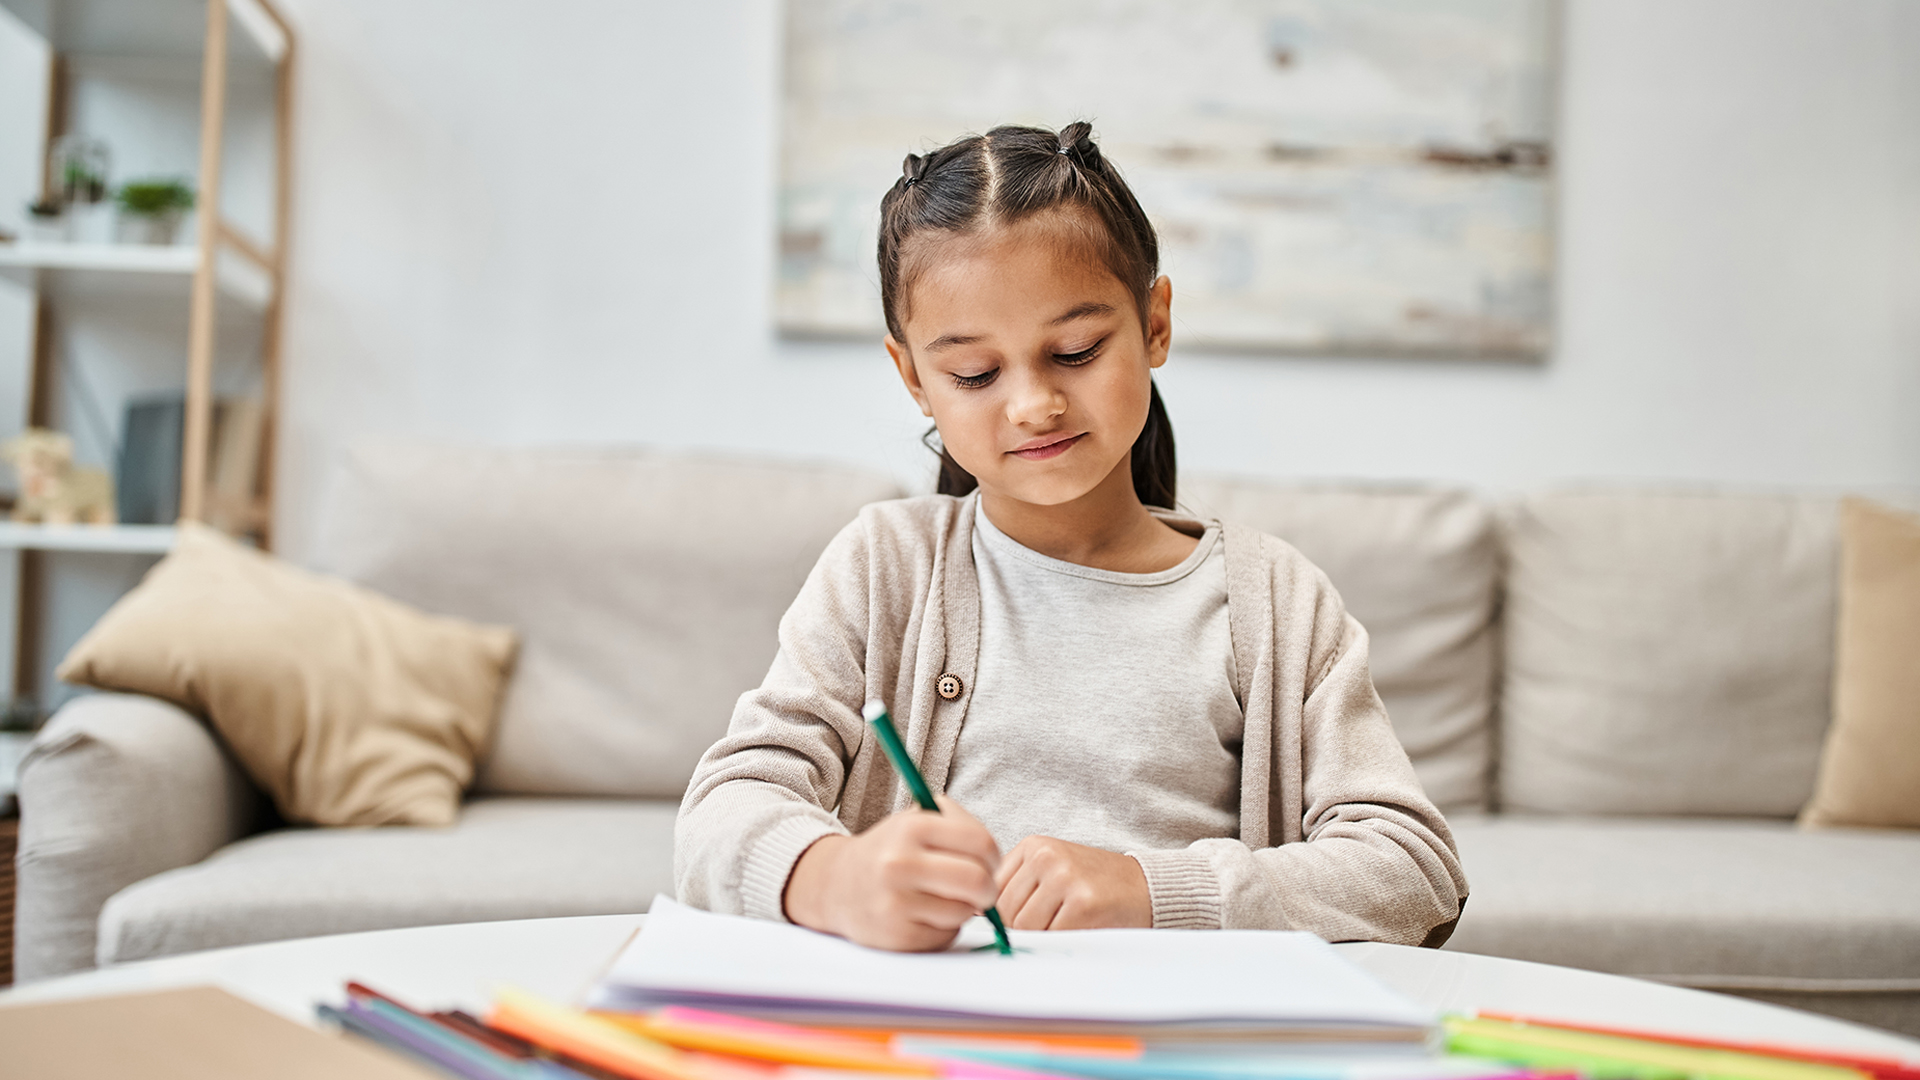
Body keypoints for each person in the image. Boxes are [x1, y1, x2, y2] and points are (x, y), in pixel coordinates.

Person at [676, 121, 1466, 952]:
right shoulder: (884, 568)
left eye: (1077, 351)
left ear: (1155, 322)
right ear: (914, 378)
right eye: (975, 374)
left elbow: (1413, 872)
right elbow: (724, 807)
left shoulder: (1272, 600)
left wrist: (1154, 890)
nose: (1033, 406)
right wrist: (837, 880)